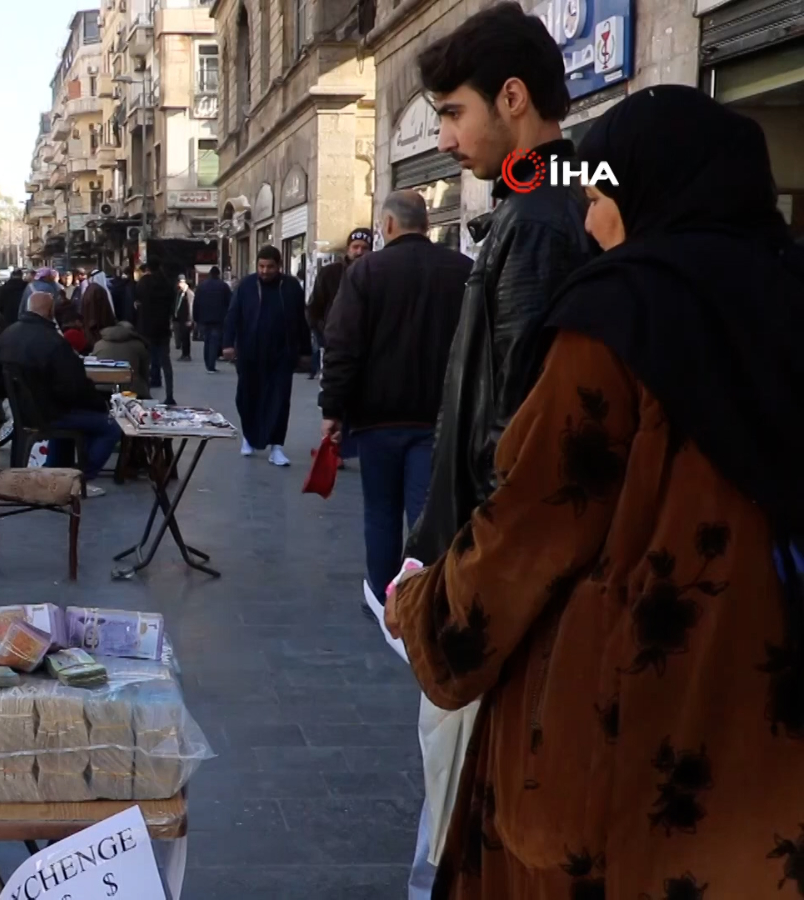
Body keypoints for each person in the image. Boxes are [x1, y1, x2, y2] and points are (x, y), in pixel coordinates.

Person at [387, 85, 804, 900]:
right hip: (769, 729)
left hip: (628, 726)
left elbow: (531, 528)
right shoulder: (786, 297)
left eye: (600, 197)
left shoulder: (622, 316)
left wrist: (423, 614)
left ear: (647, 188)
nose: (590, 222)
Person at [398, 6, 595, 897]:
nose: (444, 138)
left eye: (452, 113)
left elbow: (516, 439)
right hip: (488, 562)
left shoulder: (539, 221)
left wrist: (460, 583)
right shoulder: (542, 203)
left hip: (498, 583)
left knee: (465, 812)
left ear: (512, 99)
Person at [319, 192, 470, 603]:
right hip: (439, 418)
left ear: (387, 225)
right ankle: (425, 602)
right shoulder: (463, 270)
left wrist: (332, 409)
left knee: (381, 513)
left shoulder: (367, 272)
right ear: (426, 222)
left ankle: (383, 598)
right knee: (426, 516)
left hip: (378, 419)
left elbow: (342, 344)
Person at [0, 292, 122, 497]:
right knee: (110, 427)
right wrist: (99, 404)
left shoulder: (7, 335)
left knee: (69, 420)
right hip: (51, 413)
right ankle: (80, 479)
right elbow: (74, 386)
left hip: (23, 413)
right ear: (50, 312)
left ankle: (56, 473)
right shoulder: (53, 341)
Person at [223, 246, 305, 467]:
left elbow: (301, 320)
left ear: (279, 266)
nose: (265, 271)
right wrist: (228, 344)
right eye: (261, 266)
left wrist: (305, 352)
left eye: (270, 266)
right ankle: (249, 437)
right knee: (247, 397)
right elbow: (233, 315)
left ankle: (276, 446)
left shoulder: (291, 287)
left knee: (279, 400)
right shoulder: (246, 286)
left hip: (281, 355)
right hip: (250, 353)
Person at [307, 228, 373, 380]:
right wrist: (324, 337)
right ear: (348, 249)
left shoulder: (376, 275)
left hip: (366, 351)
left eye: (364, 248)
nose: (359, 252)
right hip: (335, 348)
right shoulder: (329, 273)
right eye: (355, 247)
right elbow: (313, 309)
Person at [133, 263, 176, 405]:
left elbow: (137, 300)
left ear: (147, 269)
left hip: (146, 329)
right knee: (166, 363)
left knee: (146, 362)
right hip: (163, 329)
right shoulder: (167, 283)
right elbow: (172, 306)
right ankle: (170, 396)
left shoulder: (143, 283)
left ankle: (146, 395)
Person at [91, 321, 152, 399]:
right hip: (130, 390)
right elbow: (144, 371)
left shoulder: (99, 344)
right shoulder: (138, 345)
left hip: (101, 389)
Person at [192, 266, 233, 373]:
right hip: (219, 319)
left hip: (204, 318)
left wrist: (196, 318)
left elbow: (196, 303)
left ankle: (207, 363)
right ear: (218, 274)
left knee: (207, 340)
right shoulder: (223, 286)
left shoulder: (202, 286)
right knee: (214, 341)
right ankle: (211, 364)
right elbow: (230, 303)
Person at [172, 274, 194, 361]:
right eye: (180, 282)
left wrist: (190, 319)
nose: (180, 284)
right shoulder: (179, 292)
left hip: (186, 318)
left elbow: (191, 306)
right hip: (180, 318)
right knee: (182, 336)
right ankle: (184, 353)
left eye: (182, 282)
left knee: (186, 337)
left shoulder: (188, 293)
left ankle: (186, 354)